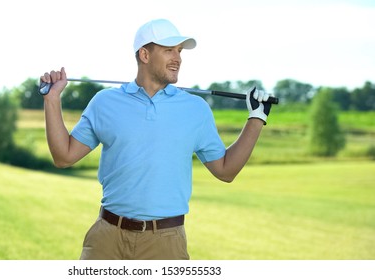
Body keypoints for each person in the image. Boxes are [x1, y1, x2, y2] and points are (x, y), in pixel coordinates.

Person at [40, 19, 272, 260]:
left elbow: (226, 171)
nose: (178, 58)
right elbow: (63, 157)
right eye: (169, 50)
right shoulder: (104, 102)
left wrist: (256, 118)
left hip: (165, 242)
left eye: (180, 51)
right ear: (144, 55)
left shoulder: (195, 109)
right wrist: (52, 99)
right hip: (106, 238)